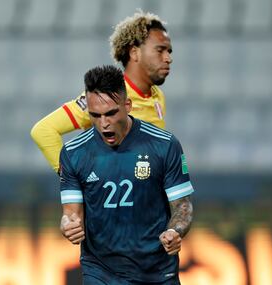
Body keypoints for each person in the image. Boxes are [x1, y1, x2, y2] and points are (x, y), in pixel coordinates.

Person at [59, 65, 193, 284]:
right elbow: (71, 214)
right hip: (100, 272)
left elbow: (183, 206)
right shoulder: (74, 153)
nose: (104, 124)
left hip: (156, 271)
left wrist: (175, 231)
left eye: (111, 113)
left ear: (128, 105)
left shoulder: (163, 145)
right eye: (96, 115)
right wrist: (68, 225)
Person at [31, 10, 173, 174]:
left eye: (169, 51)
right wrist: (71, 178)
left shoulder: (157, 96)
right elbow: (44, 130)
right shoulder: (108, 95)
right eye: (160, 50)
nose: (168, 58)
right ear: (135, 52)